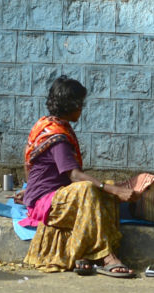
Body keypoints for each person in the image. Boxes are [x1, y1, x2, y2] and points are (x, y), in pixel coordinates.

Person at [18, 75, 139, 278]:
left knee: (103, 191)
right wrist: (115, 189)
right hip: (46, 203)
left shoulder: (45, 124)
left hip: (47, 196)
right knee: (90, 189)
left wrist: (30, 187)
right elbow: (74, 176)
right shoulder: (57, 137)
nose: (82, 110)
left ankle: (88, 253)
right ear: (72, 106)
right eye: (80, 105)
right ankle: (106, 256)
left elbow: (28, 161)